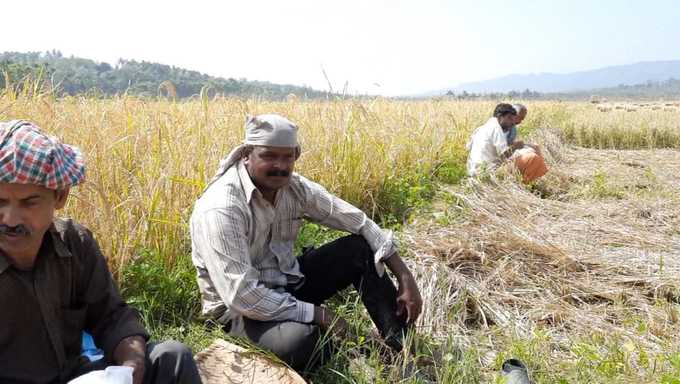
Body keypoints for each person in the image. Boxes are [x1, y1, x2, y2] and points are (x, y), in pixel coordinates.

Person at [190, 114, 423, 372]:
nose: (280, 165)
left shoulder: (294, 188)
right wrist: (319, 314)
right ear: (247, 154)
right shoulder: (222, 207)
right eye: (269, 156)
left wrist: (404, 276)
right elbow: (242, 295)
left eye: (287, 157)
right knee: (303, 342)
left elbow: (359, 222)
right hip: (238, 312)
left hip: (285, 282)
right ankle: (350, 350)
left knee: (359, 249)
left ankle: (401, 350)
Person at [0, 120, 202, 384]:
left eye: (29, 203)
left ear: (60, 197)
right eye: (0, 202)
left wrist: (132, 363)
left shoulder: (74, 242)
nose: (10, 219)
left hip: (74, 376)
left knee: (172, 357)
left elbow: (111, 316)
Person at [466, 103, 547, 183]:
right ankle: (525, 185)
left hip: (475, 170)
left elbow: (468, 147)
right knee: (532, 157)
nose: (512, 122)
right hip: (488, 172)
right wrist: (516, 147)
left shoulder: (483, 127)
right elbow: (503, 155)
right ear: (500, 116)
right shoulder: (496, 129)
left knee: (530, 152)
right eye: (509, 118)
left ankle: (528, 183)